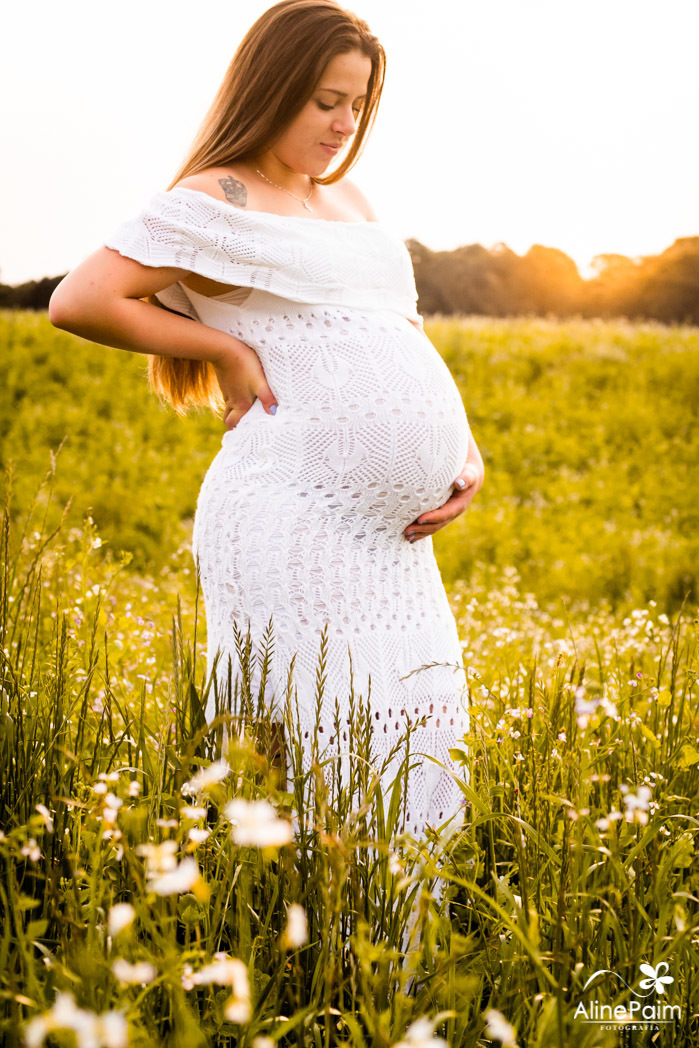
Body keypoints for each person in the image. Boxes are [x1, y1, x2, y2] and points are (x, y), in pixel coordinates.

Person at [48, 0, 485, 846]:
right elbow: (81, 299)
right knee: (323, 746)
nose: (343, 123)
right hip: (293, 513)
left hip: (394, 542)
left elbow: (398, 328)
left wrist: (460, 448)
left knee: (421, 727)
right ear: (272, 86)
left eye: (357, 104)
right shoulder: (216, 195)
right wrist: (222, 351)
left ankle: (396, 954)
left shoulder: (347, 198)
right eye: (325, 100)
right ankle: (313, 949)